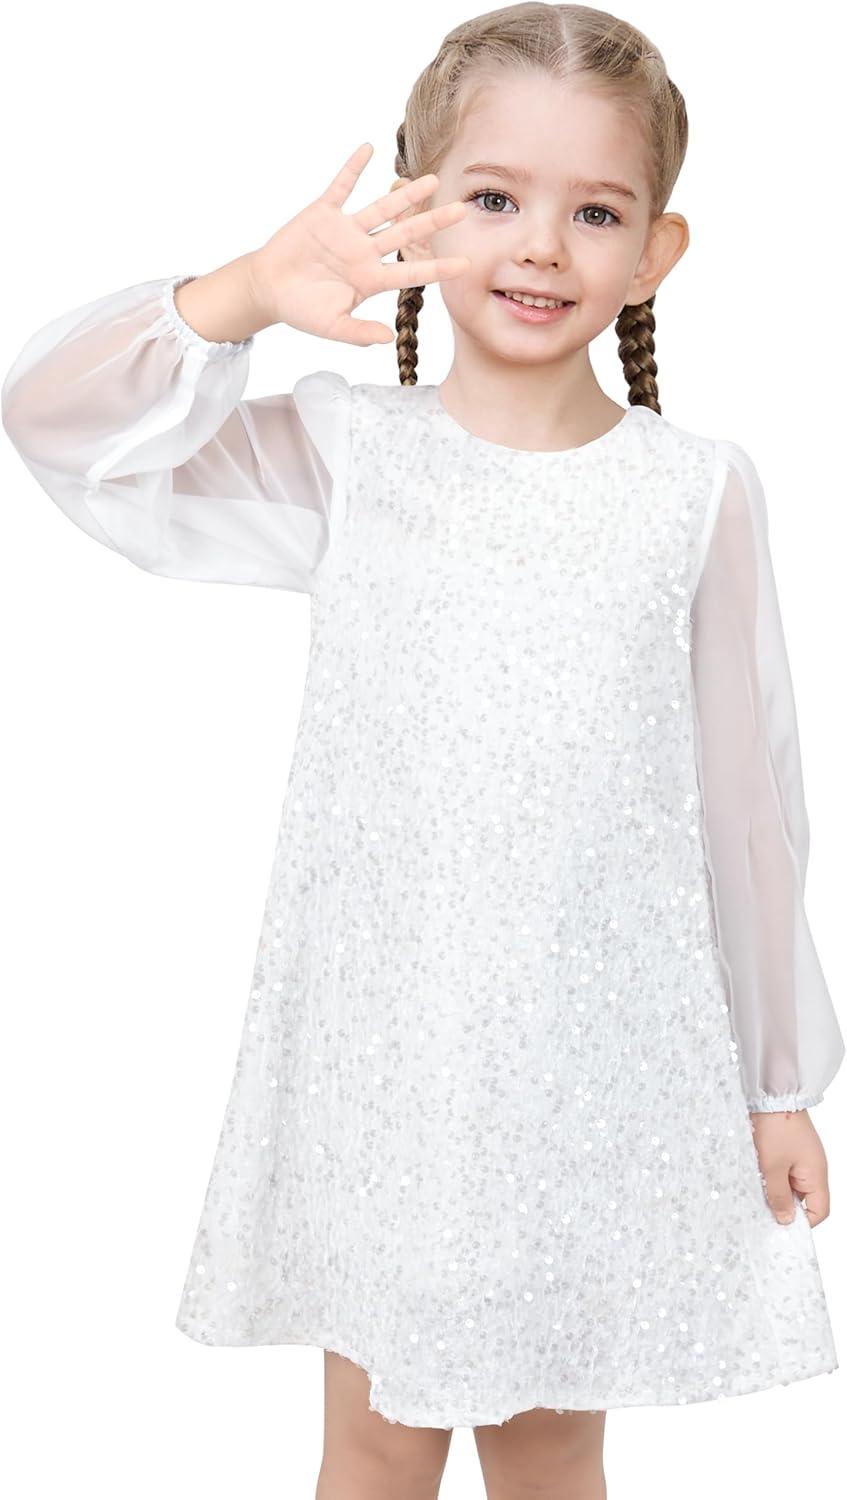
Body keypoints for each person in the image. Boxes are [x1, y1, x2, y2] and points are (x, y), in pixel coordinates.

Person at [2, 5, 843, 1497]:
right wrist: (245, 292)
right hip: (386, 1067)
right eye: (495, 197)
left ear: (657, 251)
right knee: (376, 1447)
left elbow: (749, 808)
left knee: (549, 1447)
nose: (542, 248)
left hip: (592, 1067)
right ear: (416, 207)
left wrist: (779, 1082)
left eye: (597, 213)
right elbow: (56, 424)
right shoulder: (349, 458)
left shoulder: (696, 493)